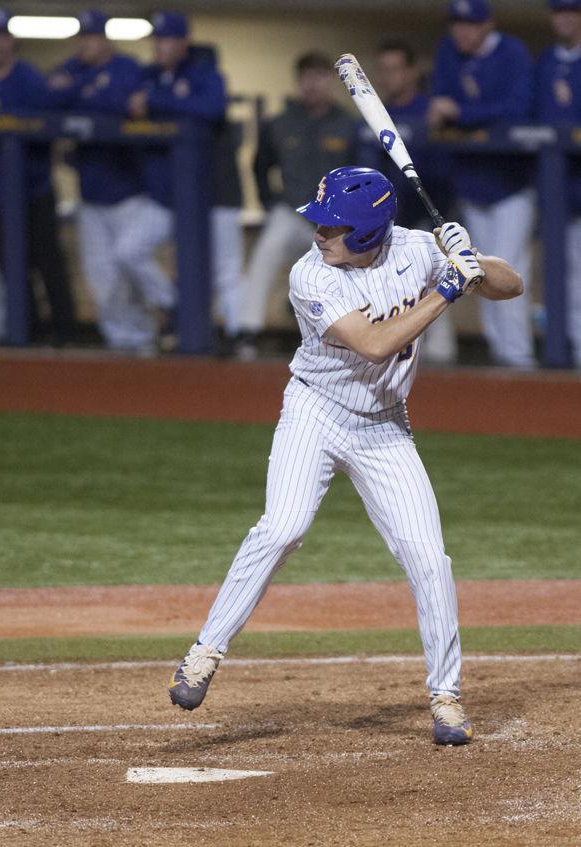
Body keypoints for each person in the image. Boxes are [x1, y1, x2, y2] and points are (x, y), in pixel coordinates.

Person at [168, 166, 525, 745]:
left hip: (385, 427)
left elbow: (512, 288)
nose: (318, 234)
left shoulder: (416, 249)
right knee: (283, 527)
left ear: (365, 233)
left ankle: (447, 696)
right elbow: (377, 344)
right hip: (315, 412)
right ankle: (205, 652)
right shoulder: (311, 276)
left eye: (331, 226)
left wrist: (476, 262)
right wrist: (450, 289)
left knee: (429, 557)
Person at [428, 0, 536, 368]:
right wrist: (450, 113)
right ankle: (499, 354)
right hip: (471, 184)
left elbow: (517, 110)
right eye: (457, 23)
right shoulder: (448, 51)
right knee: (476, 272)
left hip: (511, 186)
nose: (462, 31)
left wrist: (463, 114)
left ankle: (518, 357)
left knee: (507, 270)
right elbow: (439, 102)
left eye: (470, 23)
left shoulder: (512, 52)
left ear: (488, 25)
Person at [235, 52, 361, 360]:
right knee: (266, 253)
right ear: (298, 81)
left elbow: (361, 172)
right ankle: (246, 330)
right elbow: (259, 165)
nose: (312, 84)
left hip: (333, 216)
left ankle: (347, 337)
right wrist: (269, 202)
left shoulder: (348, 124)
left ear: (330, 82)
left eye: (319, 77)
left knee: (343, 275)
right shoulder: (280, 123)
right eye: (306, 77)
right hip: (291, 209)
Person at [126, 12, 240, 350]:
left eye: (168, 39)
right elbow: (121, 104)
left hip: (207, 193)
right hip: (163, 194)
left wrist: (157, 103)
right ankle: (176, 308)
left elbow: (213, 108)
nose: (161, 46)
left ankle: (235, 336)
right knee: (128, 251)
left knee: (222, 270)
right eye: (157, 40)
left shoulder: (203, 72)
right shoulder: (145, 75)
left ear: (183, 42)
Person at [0, 7, 76, 346]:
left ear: (12, 40)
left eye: (3, 37)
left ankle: (65, 333)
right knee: (9, 269)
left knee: (48, 263)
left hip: (34, 191)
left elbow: (54, 120)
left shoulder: (29, 78)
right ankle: (28, 334)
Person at [46, 10, 152, 353]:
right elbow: (50, 98)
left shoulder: (126, 66)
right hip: (89, 193)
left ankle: (143, 336)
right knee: (99, 276)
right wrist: (88, 90)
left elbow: (124, 106)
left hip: (129, 190)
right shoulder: (73, 68)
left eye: (93, 37)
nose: (86, 44)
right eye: (82, 37)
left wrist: (81, 94)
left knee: (125, 271)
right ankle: (120, 341)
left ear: (106, 39)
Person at [376, 40, 457, 366]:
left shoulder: (430, 111)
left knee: (435, 278)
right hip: (387, 218)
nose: (389, 77)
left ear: (411, 72)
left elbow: (443, 171)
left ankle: (443, 353)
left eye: (396, 69)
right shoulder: (379, 113)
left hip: (427, 216)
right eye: (383, 70)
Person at [535, 0, 581, 368]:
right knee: (562, 271)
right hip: (558, 188)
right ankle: (570, 352)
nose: (565, 18)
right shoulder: (546, 62)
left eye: (573, 11)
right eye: (560, 11)